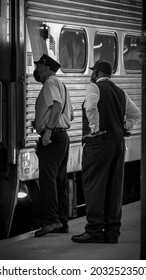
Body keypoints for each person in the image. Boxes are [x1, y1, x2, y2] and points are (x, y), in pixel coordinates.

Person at [71, 60, 141, 243]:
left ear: (97, 73)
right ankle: (111, 232)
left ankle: (94, 230)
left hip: (98, 144)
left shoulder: (94, 88)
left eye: (93, 71)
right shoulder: (120, 92)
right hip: (117, 144)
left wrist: (94, 129)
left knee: (94, 186)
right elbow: (136, 114)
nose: (91, 74)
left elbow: (91, 106)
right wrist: (124, 126)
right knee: (113, 187)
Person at [33, 53, 74, 237]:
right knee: (59, 180)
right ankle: (62, 222)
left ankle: (51, 221)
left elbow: (56, 106)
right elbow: (70, 115)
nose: (37, 71)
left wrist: (47, 129)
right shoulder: (62, 85)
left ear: (47, 68)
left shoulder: (50, 82)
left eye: (39, 68)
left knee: (47, 179)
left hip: (54, 136)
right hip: (62, 136)